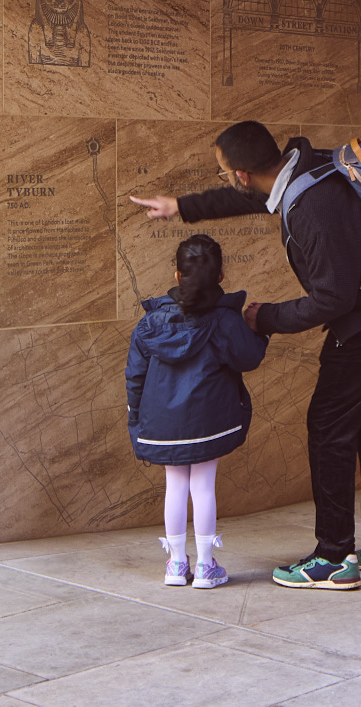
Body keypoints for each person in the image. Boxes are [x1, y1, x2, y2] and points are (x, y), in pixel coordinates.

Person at [130, 121, 361, 591]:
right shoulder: (303, 168)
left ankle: (334, 557)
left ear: (242, 174)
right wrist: (181, 206)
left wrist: (265, 317)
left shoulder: (314, 208)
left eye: (226, 173)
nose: (230, 181)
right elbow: (253, 199)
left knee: (328, 426)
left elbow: (333, 299)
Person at [125, 233, 268, 590]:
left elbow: (135, 376)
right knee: (203, 487)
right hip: (209, 420)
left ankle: (176, 565)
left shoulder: (150, 323)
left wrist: (136, 417)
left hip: (163, 423)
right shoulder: (225, 321)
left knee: (175, 486)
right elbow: (249, 357)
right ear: (220, 276)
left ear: (177, 275)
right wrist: (259, 331)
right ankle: (205, 566)